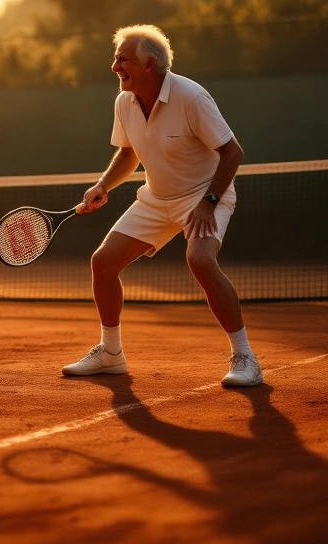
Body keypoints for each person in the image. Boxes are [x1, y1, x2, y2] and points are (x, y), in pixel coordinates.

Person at [65, 25, 262, 387]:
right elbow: (128, 152)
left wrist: (209, 202)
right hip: (157, 198)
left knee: (200, 260)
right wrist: (103, 185)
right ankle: (111, 354)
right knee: (103, 262)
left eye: (123, 59)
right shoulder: (124, 101)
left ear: (150, 64)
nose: (114, 66)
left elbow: (232, 153)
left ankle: (245, 356)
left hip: (205, 194)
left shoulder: (191, 97)